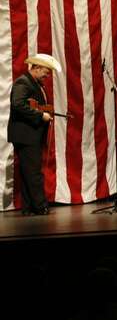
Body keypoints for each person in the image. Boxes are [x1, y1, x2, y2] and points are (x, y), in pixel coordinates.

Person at [8, 53, 62, 215]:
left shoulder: (35, 83)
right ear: (36, 68)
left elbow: (32, 105)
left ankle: (28, 207)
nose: (47, 75)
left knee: (27, 172)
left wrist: (45, 111)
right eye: (46, 71)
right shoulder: (23, 82)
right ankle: (40, 206)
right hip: (26, 135)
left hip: (30, 134)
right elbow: (18, 104)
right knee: (33, 173)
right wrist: (40, 115)